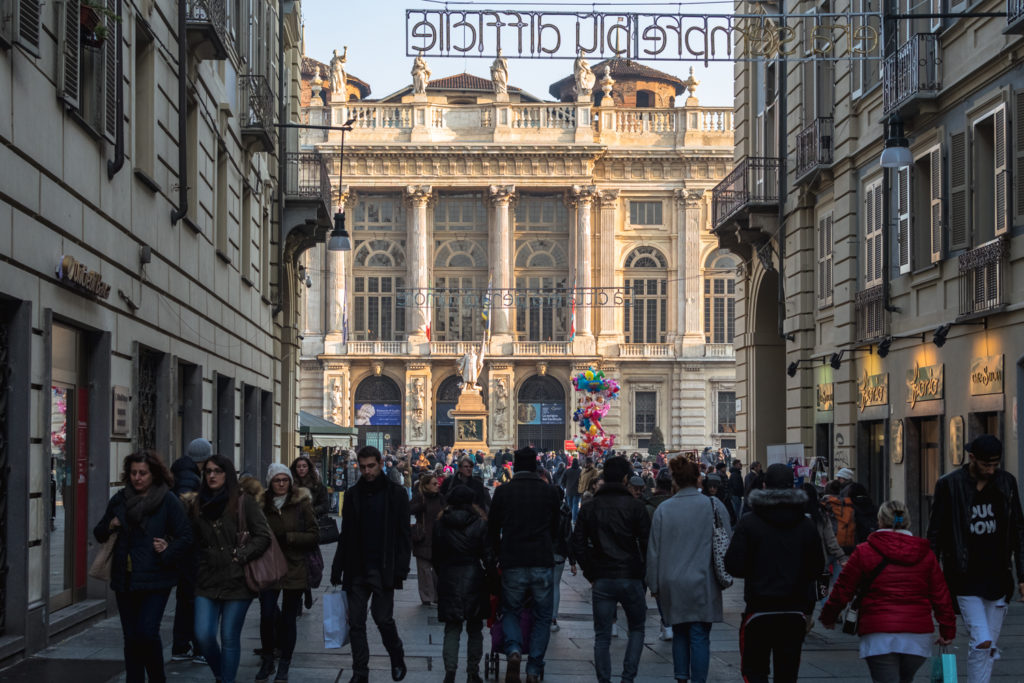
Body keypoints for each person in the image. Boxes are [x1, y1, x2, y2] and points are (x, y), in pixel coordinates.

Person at [820, 500, 955, 683]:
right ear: (907, 521)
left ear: (880, 521)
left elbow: (844, 588)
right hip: (917, 634)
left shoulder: (864, 552)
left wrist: (829, 616)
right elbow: (941, 595)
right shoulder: (925, 553)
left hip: (878, 632)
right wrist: (947, 630)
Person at [927, 434, 1024, 683]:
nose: (991, 470)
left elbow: (1018, 531)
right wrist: (930, 576)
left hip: (999, 578)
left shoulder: (1006, 483)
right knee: (982, 640)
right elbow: (935, 533)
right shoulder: (950, 485)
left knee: (988, 646)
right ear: (972, 458)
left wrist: (1022, 575)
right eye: (985, 465)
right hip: (964, 576)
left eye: (995, 465)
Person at [94, 450, 192, 683]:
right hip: (125, 578)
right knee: (131, 637)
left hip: (157, 577)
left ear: (153, 474)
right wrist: (112, 524)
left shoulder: (167, 500)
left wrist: (168, 547)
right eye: (133, 473)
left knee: (147, 633)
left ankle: (157, 678)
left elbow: (186, 536)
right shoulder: (119, 499)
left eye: (143, 473)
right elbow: (98, 533)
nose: (138, 477)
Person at [724, 463, 822, 683]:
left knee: (754, 670)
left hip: (759, 608)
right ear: (793, 487)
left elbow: (733, 565)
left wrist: (757, 567)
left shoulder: (749, 522)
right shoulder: (806, 525)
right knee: (787, 674)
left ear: (765, 486)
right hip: (794, 610)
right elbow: (817, 568)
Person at [330, 446, 411, 683]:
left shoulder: (396, 494)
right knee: (356, 622)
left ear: (380, 463)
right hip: (356, 567)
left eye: (371, 466)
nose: (366, 471)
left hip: (383, 566)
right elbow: (346, 534)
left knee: (382, 618)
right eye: (362, 467)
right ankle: (360, 672)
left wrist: (401, 569)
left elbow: (404, 535)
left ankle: (396, 654)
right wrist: (337, 567)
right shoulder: (353, 494)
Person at [189, 454, 272, 683]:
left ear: (227, 474)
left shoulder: (243, 501)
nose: (212, 475)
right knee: (203, 635)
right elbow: (191, 538)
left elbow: (263, 536)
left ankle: (227, 679)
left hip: (238, 579)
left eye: (217, 471)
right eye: (208, 471)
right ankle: (221, 674)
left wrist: (242, 554)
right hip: (207, 578)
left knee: (229, 636)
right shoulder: (198, 503)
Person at [647, 457, 730, 683]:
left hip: (672, 582)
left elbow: (653, 551)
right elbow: (726, 541)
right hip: (704, 581)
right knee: (700, 635)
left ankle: (681, 678)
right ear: (698, 479)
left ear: (675, 480)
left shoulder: (664, 509)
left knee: (680, 633)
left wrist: (653, 584)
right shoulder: (713, 506)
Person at [572, 456, 651, 683]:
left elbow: (578, 543)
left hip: (603, 577)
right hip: (631, 576)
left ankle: (604, 680)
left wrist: (590, 572)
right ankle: (627, 678)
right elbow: (647, 544)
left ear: (604, 477)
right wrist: (642, 570)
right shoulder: (636, 506)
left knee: (602, 636)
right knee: (636, 629)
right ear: (626, 478)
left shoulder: (590, 507)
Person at [488, 447, 562, 683]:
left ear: (515, 466)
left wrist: (498, 555)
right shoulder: (550, 492)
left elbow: (492, 530)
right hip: (541, 560)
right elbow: (556, 529)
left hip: (513, 561)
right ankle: (533, 669)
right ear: (535, 467)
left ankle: (513, 650)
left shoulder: (503, 493)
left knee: (511, 609)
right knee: (542, 616)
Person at [254, 464, 317, 683]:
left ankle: (284, 664)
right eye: (277, 480)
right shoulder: (261, 505)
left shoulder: (301, 503)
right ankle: (268, 659)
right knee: (267, 614)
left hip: (294, 566)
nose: (281, 484)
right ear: (270, 483)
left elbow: (314, 534)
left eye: (285, 480)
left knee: (289, 619)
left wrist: (289, 537)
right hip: (269, 567)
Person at [434, 485, 493, 683]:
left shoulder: (441, 522)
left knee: (452, 628)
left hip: (449, 577)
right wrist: (492, 579)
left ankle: (450, 672)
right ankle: (472, 673)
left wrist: (442, 573)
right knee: (475, 629)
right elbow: (488, 556)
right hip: (474, 577)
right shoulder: (480, 523)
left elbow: (435, 554)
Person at [169, 437, 211, 663]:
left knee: (186, 597)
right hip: (190, 548)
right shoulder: (189, 478)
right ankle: (196, 647)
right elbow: (186, 512)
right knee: (194, 597)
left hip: (185, 547)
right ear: (203, 459)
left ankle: (181, 646)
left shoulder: (182, 472)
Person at [410, 472, 446, 606]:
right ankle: (426, 597)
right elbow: (408, 510)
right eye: (434, 484)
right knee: (424, 570)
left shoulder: (441, 498)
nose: (438, 485)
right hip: (423, 537)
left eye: (437, 483)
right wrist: (420, 507)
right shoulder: (421, 498)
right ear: (426, 486)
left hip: (438, 539)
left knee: (438, 571)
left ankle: (437, 595)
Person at [550, 486, 576, 633]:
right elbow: (568, 536)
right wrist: (572, 561)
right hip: (559, 552)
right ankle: (553, 618)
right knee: (555, 586)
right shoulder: (565, 511)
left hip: (543, 553)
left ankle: (541, 616)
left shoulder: (544, 510)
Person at [562, 458, 582, 524]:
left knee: (570, 505)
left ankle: (570, 518)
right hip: (577, 491)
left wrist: (565, 486)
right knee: (575, 505)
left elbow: (563, 480)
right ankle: (574, 520)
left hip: (569, 490)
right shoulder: (580, 471)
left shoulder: (568, 471)